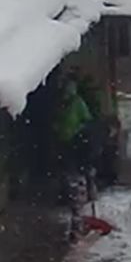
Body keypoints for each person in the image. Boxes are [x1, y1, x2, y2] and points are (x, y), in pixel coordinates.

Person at [54, 76, 94, 241]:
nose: (67, 93)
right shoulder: (61, 104)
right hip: (63, 142)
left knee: (75, 176)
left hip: (75, 143)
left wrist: (79, 131)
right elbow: (57, 120)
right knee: (66, 172)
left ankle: (77, 206)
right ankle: (69, 195)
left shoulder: (77, 103)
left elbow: (87, 120)